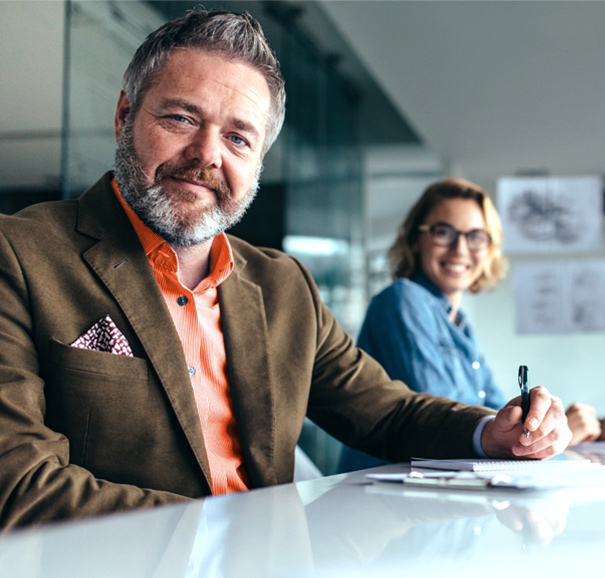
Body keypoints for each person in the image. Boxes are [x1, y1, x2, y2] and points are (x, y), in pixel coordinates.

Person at [0, 10, 571, 529]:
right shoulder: (21, 256)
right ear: (126, 114)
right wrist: (237, 534)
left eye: (237, 137)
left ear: (258, 162)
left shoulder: (284, 286)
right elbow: (17, 485)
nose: (207, 154)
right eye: (180, 117)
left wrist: (489, 432)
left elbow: (387, 413)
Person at [338, 178, 605, 472]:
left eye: (475, 236)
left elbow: (495, 419)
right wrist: (547, 434)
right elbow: (445, 426)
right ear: (416, 240)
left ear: (489, 249)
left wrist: (585, 429)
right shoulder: (403, 300)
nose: (460, 249)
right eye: (443, 232)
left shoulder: (459, 324)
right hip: (384, 501)